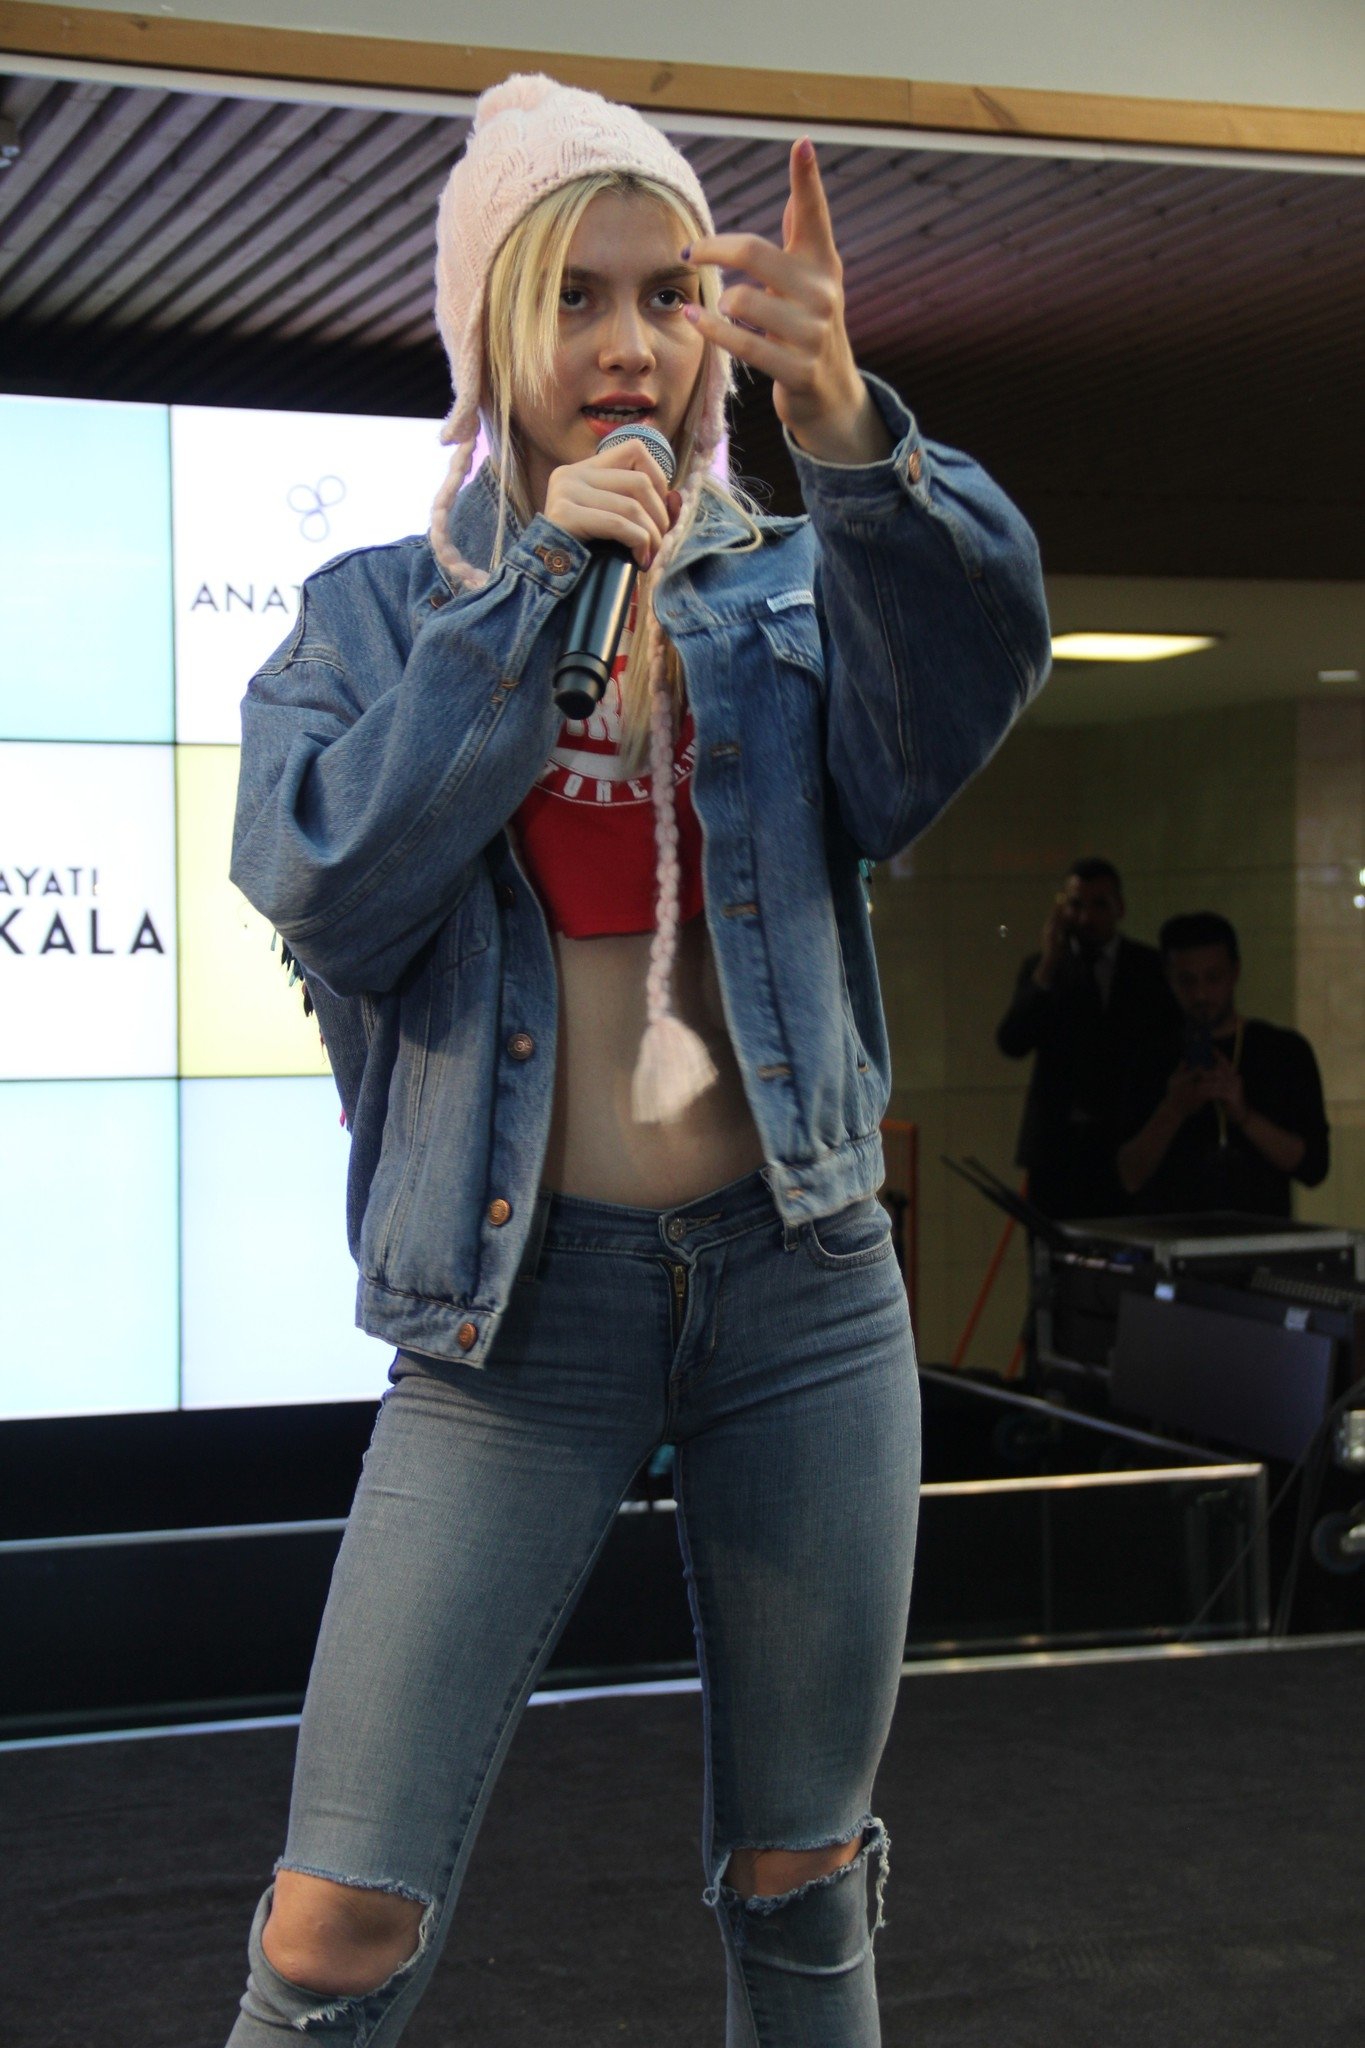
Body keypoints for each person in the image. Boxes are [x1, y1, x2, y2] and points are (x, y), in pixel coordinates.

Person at [225, 74, 1050, 2046]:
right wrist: (534, 598)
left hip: (804, 1287)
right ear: (488, 329)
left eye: (666, 295)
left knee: (802, 1876)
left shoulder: (792, 586)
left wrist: (849, 431)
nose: (625, 344)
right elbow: (327, 884)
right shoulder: (376, 618)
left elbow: (957, 699)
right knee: (335, 1916)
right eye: (573, 296)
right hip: (516, 1316)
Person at [995, 858, 1179, 1218]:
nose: (1086, 917)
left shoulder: (1150, 967)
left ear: (1119, 908)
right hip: (1057, 1148)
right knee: (1052, 1248)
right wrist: (1048, 966)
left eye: (1099, 905)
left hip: (1126, 1141)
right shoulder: (1045, 968)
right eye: (1076, 905)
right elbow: (1012, 1042)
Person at [1116, 911, 1329, 1216]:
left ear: (1235, 972)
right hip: (1171, 1235)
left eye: (1213, 978)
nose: (1201, 994)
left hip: (1260, 1234)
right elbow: (1127, 1176)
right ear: (1169, 978)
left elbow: (1313, 1167)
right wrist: (1173, 1110)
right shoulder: (1150, 1056)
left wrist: (1245, 1117)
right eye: (1187, 981)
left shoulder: (1283, 1052)